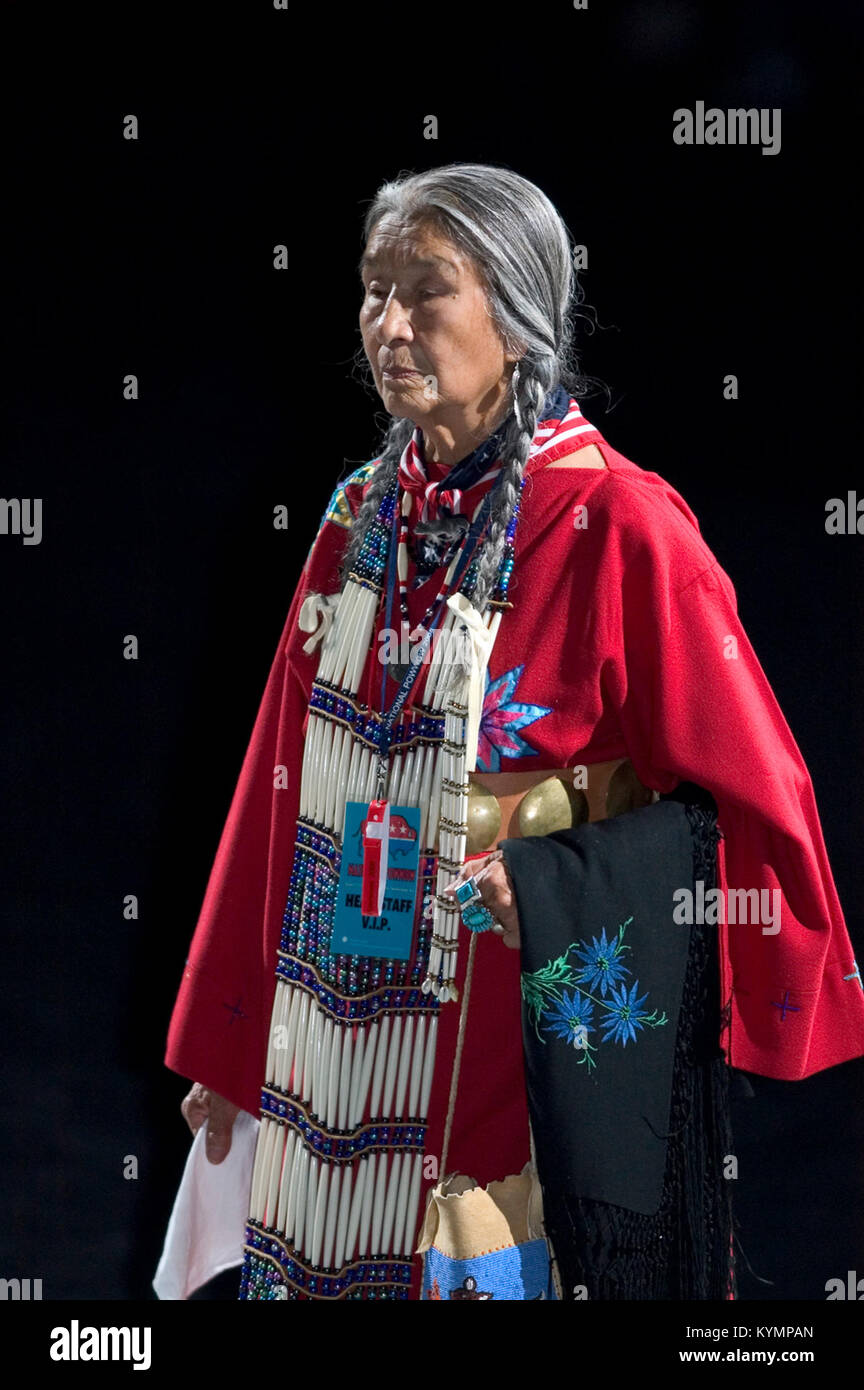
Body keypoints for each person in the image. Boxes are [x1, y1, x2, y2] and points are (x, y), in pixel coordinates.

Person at [164, 163, 864, 1301]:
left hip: (527, 1032)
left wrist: (557, 879)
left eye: (425, 292)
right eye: (371, 291)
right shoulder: (357, 516)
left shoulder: (621, 527)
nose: (388, 325)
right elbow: (278, 794)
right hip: (345, 1019)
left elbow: (757, 808)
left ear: (521, 319)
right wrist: (231, 1044)